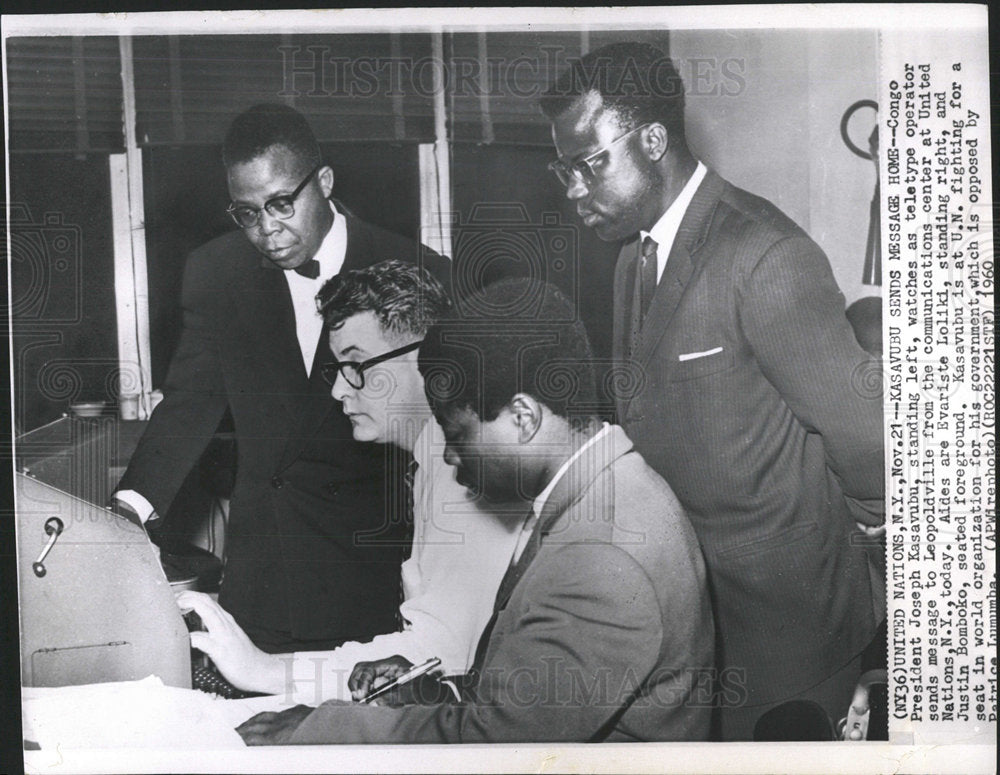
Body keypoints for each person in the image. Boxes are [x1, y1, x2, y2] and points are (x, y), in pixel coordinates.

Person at [539, 42, 885, 739]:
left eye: (590, 164)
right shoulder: (631, 257)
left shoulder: (764, 254)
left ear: (654, 139)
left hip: (788, 630)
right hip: (688, 617)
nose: (574, 191)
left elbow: (869, 436)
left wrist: (845, 540)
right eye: (563, 170)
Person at [233, 278, 715, 744]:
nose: (447, 455)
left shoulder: (602, 555)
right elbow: (533, 700)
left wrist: (317, 728)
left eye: (459, 434)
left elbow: (496, 740)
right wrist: (432, 689)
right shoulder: (605, 492)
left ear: (523, 418)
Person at [115, 103, 451, 653]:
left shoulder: (416, 269)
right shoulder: (215, 272)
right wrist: (132, 507)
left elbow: (449, 425)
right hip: (263, 582)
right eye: (246, 213)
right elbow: (190, 400)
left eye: (280, 204)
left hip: (373, 578)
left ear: (323, 182)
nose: (267, 230)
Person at [176, 261, 522, 702]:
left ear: (425, 357)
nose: (340, 390)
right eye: (337, 368)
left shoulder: (462, 470)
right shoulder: (432, 453)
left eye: (356, 365)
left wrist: (265, 671)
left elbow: (439, 654)